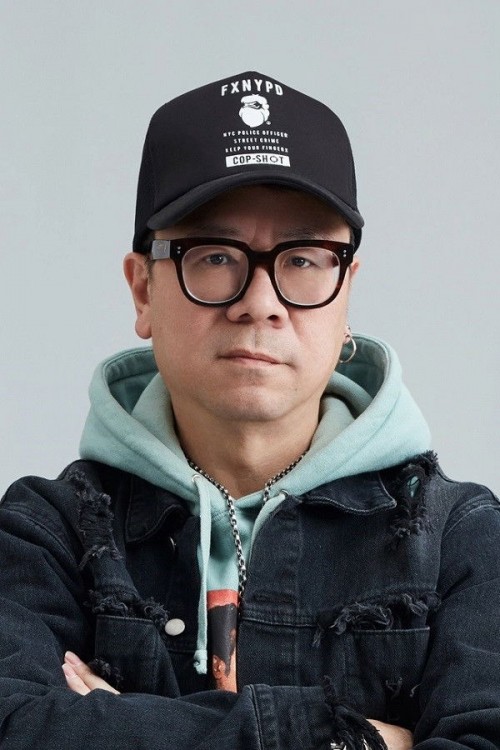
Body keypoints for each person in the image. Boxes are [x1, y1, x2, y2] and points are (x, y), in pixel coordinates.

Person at [0, 71, 499, 750]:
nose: (259, 303)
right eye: (213, 256)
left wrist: (121, 727)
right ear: (142, 290)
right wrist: (356, 739)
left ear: (346, 291)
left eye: (303, 260)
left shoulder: (458, 540)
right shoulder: (46, 533)